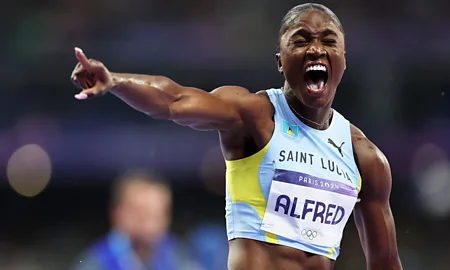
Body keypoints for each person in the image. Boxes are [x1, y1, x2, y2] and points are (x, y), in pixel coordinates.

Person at [70, 3, 402, 270]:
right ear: (280, 62)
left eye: (328, 41)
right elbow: (174, 99)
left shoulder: (365, 158)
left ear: (343, 60)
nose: (316, 49)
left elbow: (386, 263)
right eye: (301, 40)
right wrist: (116, 82)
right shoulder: (253, 115)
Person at [73, 170, 184, 270]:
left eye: (159, 213)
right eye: (141, 212)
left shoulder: (179, 257)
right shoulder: (95, 263)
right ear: (116, 213)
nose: (150, 223)